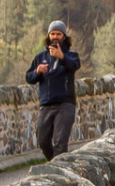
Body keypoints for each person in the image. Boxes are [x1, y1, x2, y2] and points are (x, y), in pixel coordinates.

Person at [26, 21, 80, 160]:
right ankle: (55, 164)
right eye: (53, 34)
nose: (55, 37)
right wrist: (37, 71)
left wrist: (61, 56)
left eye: (58, 34)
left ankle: (58, 170)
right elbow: (29, 77)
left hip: (65, 104)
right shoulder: (41, 57)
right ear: (49, 36)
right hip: (46, 105)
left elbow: (75, 66)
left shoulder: (71, 55)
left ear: (64, 36)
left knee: (59, 143)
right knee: (43, 141)